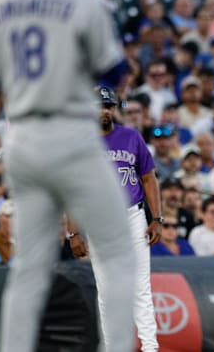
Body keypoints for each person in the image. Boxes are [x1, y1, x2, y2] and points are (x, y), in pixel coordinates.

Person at [0, 0, 137, 351]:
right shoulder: (85, 1)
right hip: (71, 133)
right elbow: (115, 72)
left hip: (23, 137)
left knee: (29, 268)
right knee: (118, 253)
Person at [67, 86, 162, 352]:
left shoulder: (131, 137)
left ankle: (150, 347)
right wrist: (73, 233)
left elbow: (148, 179)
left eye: (108, 106)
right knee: (107, 291)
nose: (103, 110)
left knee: (140, 286)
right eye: (99, 106)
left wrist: (157, 218)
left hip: (133, 216)